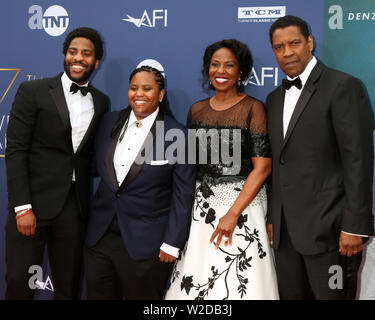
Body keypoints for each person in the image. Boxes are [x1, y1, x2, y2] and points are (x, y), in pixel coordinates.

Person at [265, 15, 374, 300]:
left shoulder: (343, 87)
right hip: (286, 236)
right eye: (278, 47)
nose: (287, 52)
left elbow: (358, 162)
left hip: (332, 233)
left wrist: (354, 226)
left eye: (294, 43)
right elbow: (279, 163)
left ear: (310, 43)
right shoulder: (274, 99)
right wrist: (273, 217)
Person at [165, 39, 279, 300]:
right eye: (215, 65)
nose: (221, 71)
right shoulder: (196, 110)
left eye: (229, 65)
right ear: (207, 70)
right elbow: (190, 166)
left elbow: (262, 168)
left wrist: (232, 214)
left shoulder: (253, 108)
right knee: (199, 274)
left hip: (243, 206)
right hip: (202, 208)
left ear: (241, 72)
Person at [5, 27, 109, 299]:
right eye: (73, 52)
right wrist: (22, 207)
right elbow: (16, 150)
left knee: (69, 285)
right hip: (33, 205)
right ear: (65, 55)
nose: (78, 58)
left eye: (86, 54)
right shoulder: (33, 90)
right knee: (19, 283)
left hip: (74, 208)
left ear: (96, 62)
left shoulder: (101, 102)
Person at [84, 65, 196, 300]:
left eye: (147, 88)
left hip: (147, 244)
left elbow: (183, 194)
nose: (139, 94)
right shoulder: (108, 121)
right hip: (100, 238)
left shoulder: (178, 135)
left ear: (161, 94)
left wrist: (172, 242)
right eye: (134, 88)